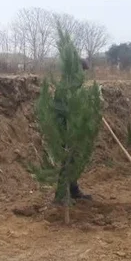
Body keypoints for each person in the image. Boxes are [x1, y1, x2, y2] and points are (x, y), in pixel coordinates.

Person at [54, 58, 92, 202]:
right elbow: (62, 112)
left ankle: (74, 190)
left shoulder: (75, 87)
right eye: (82, 71)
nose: (83, 75)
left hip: (75, 130)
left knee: (74, 162)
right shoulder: (65, 88)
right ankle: (61, 195)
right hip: (66, 131)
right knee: (67, 163)